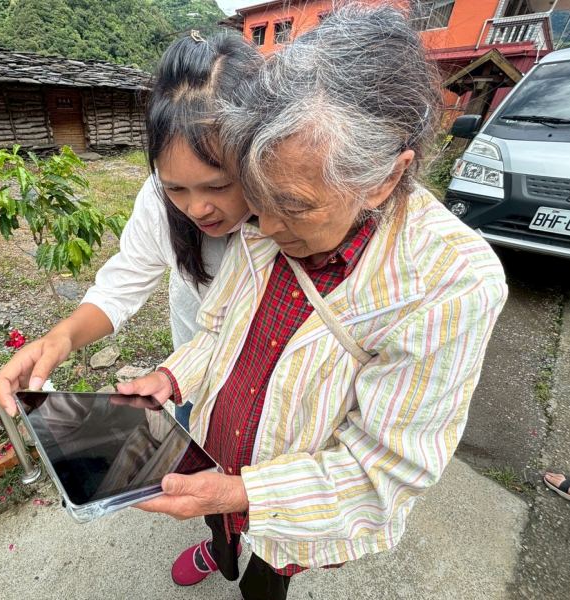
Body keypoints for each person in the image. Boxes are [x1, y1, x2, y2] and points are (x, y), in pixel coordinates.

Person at [117, 5, 509, 599]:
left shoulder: (450, 282)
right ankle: (221, 544)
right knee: (219, 521)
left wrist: (244, 493)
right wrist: (174, 376)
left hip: (294, 498)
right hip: (220, 451)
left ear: (382, 179)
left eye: (294, 206)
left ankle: (258, 569)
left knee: (270, 570)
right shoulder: (275, 190)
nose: (263, 226)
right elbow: (222, 329)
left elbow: (384, 473)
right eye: (256, 194)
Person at [0, 34, 260, 429]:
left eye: (218, 186)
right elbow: (123, 283)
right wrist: (62, 337)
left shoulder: (291, 221)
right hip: (191, 371)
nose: (197, 208)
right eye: (175, 187)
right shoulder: (157, 202)